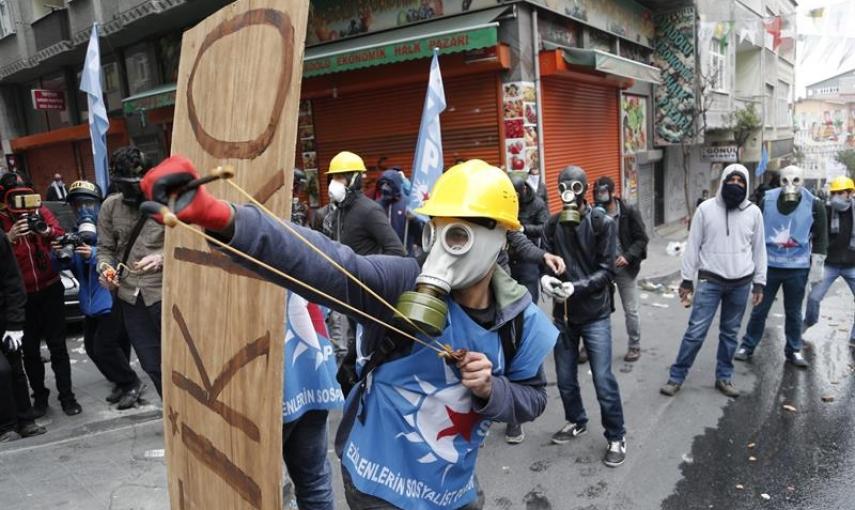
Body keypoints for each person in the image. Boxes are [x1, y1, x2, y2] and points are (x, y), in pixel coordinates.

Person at [142, 157, 558, 510]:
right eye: (435, 232)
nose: (441, 253)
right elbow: (327, 265)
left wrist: (490, 390)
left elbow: (533, 398)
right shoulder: (403, 283)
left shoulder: (521, 321)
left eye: (458, 235)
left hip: (453, 491)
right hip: (376, 483)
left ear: (500, 236)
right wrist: (222, 218)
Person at [541, 165, 627, 468]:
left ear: (585, 189)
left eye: (575, 187)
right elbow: (546, 260)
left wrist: (575, 287)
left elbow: (608, 271)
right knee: (565, 379)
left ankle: (616, 435)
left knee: (603, 378)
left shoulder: (602, 222)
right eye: (563, 186)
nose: (569, 193)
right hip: (563, 315)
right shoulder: (552, 225)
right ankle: (576, 420)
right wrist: (547, 280)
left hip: (595, 314)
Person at [660, 164, 766, 399]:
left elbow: (759, 250)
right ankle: (676, 377)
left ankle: (724, 377)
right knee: (696, 331)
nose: (736, 184)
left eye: (741, 181)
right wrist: (686, 280)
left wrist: (760, 282)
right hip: (710, 280)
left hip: (741, 282)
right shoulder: (705, 210)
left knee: (730, 333)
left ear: (747, 186)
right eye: (732, 179)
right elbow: (693, 245)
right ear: (723, 181)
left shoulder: (754, 213)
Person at [0, 172, 81, 417]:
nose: (22, 199)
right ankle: (40, 399)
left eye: (26, 191)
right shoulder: (2, 221)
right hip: (21, 297)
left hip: (50, 288)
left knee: (58, 347)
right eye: (16, 194)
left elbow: (59, 234)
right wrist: (9, 238)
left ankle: (68, 398)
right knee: (31, 352)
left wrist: (44, 231)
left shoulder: (40, 211)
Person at [734, 165, 827, 368]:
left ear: (802, 182)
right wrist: (749, 259)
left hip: (798, 267)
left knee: (793, 312)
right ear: (779, 180)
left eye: (796, 181)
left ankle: (793, 349)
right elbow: (754, 229)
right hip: (769, 266)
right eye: (785, 180)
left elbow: (821, 238)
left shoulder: (814, 204)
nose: (790, 186)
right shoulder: (766, 199)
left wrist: (817, 268)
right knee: (759, 309)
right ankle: (747, 346)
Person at [59, 180, 142, 408]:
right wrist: (61, 253)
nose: (84, 210)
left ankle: (131, 383)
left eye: (88, 203)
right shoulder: (76, 235)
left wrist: (93, 253)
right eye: (77, 205)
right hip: (90, 302)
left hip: (110, 297)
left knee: (104, 347)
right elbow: (73, 269)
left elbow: (119, 256)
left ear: (99, 204)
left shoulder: (108, 227)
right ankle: (120, 380)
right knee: (93, 347)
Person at [322, 151, 406, 376]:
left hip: (370, 298)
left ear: (355, 179)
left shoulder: (368, 210)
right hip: (348, 295)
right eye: (333, 177)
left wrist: (374, 274)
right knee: (356, 355)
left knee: (367, 356)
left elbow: (397, 251)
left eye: (341, 177)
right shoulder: (338, 212)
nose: (334, 183)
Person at [97, 146, 165, 397]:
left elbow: (191, 245)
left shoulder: (168, 202)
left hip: (165, 293)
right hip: (131, 300)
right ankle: (173, 418)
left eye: (135, 184)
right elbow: (104, 249)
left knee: (181, 363)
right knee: (152, 365)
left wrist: (162, 258)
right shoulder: (110, 207)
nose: (130, 191)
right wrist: (106, 270)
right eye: (124, 185)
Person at [281, 292, 344, 509]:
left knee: (255, 483)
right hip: (312, 369)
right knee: (314, 480)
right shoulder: (306, 256)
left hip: (270, 379)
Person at [593, 176, 648, 362]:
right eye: (597, 192)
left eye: (603, 192)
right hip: (602, 268)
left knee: (631, 309)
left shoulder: (628, 211)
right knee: (597, 309)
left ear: (612, 192)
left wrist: (627, 256)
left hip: (625, 268)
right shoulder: (594, 214)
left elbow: (642, 239)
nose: (600, 196)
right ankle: (592, 346)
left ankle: (635, 346)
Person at [0, 227, 47, 441]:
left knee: (16, 368)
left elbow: (12, 280)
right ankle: (7, 426)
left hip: (5, 316)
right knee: (2, 370)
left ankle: (26, 420)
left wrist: (15, 324)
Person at [803, 175, 855, 347]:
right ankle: (808, 323)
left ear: (850, 193)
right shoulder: (826, 210)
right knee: (814, 298)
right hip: (829, 264)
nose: (838, 196)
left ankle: (854, 338)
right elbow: (813, 232)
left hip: (851, 265)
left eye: (842, 193)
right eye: (835, 193)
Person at [508, 171, 549, 302]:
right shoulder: (506, 201)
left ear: (524, 189)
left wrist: (524, 228)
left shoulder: (537, 204)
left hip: (528, 259)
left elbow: (545, 228)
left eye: (517, 195)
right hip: (508, 260)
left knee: (529, 302)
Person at [375, 168, 423, 256]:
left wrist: (414, 219)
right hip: (382, 256)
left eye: (388, 184)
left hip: (405, 255)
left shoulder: (408, 204)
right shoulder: (376, 205)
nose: (384, 187)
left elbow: (419, 235)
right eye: (382, 183)